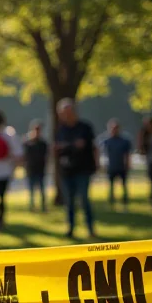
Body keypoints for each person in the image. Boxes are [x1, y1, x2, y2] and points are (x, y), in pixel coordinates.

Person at [55, 98, 99, 239]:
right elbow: (57, 148)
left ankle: (90, 229)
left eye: (68, 112)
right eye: (63, 113)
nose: (66, 115)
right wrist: (73, 146)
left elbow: (92, 147)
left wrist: (97, 164)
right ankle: (71, 228)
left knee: (84, 200)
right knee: (69, 202)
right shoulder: (60, 130)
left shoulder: (85, 127)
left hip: (83, 169)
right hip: (67, 171)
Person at [101, 119, 132, 209]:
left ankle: (125, 201)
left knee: (124, 185)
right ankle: (111, 201)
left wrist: (127, 164)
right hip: (111, 166)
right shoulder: (106, 141)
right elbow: (104, 154)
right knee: (111, 185)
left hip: (122, 166)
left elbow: (127, 154)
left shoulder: (124, 141)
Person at [23, 120, 49, 212]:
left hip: (40, 169)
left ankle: (43, 207)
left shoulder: (43, 143)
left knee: (42, 190)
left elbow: (46, 156)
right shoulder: (27, 143)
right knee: (31, 190)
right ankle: (32, 207)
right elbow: (24, 156)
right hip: (31, 170)